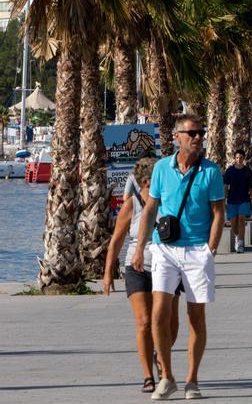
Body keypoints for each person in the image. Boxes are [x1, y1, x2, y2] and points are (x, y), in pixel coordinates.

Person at [135, 115, 225, 400]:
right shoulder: (162, 168)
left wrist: (211, 247)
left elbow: (218, 212)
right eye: (192, 133)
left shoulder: (210, 171)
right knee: (159, 313)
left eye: (200, 133)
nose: (198, 138)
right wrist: (140, 247)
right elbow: (150, 209)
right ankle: (168, 377)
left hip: (198, 250)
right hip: (165, 248)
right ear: (177, 137)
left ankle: (192, 380)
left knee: (195, 316)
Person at [103, 157, 181, 394]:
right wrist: (108, 274)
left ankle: (160, 353)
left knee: (170, 323)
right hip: (136, 268)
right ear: (148, 182)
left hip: (167, 265)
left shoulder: (169, 203)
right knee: (145, 322)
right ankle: (148, 376)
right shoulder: (132, 205)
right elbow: (116, 240)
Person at [224, 149, 252, 253]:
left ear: (244, 159)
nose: (239, 160)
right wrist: (223, 200)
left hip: (244, 200)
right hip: (232, 200)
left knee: (242, 220)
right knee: (233, 222)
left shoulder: (247, 171)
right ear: (235, 158)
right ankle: (237, 237)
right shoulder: (230, 171)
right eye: (237, 158)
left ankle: (241, 243)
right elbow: (225, 186)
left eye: (241, 158)